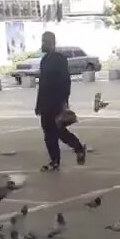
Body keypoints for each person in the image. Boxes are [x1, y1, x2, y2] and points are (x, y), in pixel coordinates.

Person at [34, 31, 85, 171]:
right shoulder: (44, 60)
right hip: (45, 102)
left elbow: (65, 81)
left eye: (45, 41)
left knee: (58, 131)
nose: (42, 44)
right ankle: (55, 160)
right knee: (50, 133)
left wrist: (64, 101)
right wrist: (39, 105)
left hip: (56, 101)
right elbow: (43, 84)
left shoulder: (59, 59)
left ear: (52, 43)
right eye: (42, 41)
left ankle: (78, 147)